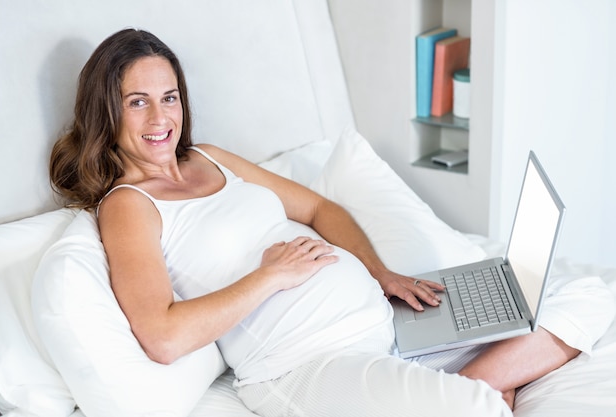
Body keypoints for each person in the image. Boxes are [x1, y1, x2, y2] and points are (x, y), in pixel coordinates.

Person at [50, 29, 614, 416]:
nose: (160, 117)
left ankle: (471, 384)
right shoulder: (127, 205)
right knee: (477, 410)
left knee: (588, 297)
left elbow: (321, 208)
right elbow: (164, 338)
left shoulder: (212, 157)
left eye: (168, 97)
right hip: (305, 365)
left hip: (386, 328)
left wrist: (382, 273)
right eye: (137, 102)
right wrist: (270, 275)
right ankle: (482, 390)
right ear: (107, 111)